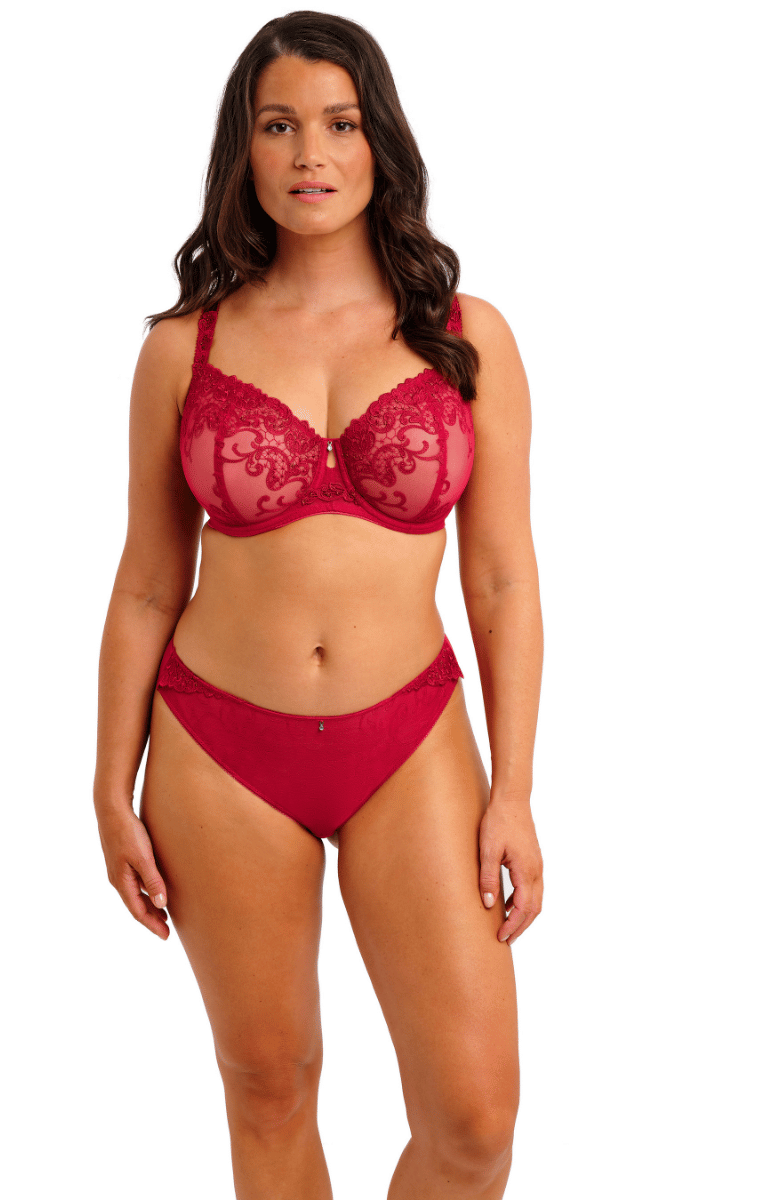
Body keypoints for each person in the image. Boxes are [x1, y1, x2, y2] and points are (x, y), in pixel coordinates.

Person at [93, 11, 544, 1198]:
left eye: (340, 125)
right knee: (269, 1084)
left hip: (411, 737)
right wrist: (107, 785)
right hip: (218, 750)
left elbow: (502, 580)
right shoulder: (183, 349)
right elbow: (147, 582)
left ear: (379, 142)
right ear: (241, 149)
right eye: (278, 125)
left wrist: (513, 790)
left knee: (474, 1121)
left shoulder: (469, 339)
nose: (310, 154)